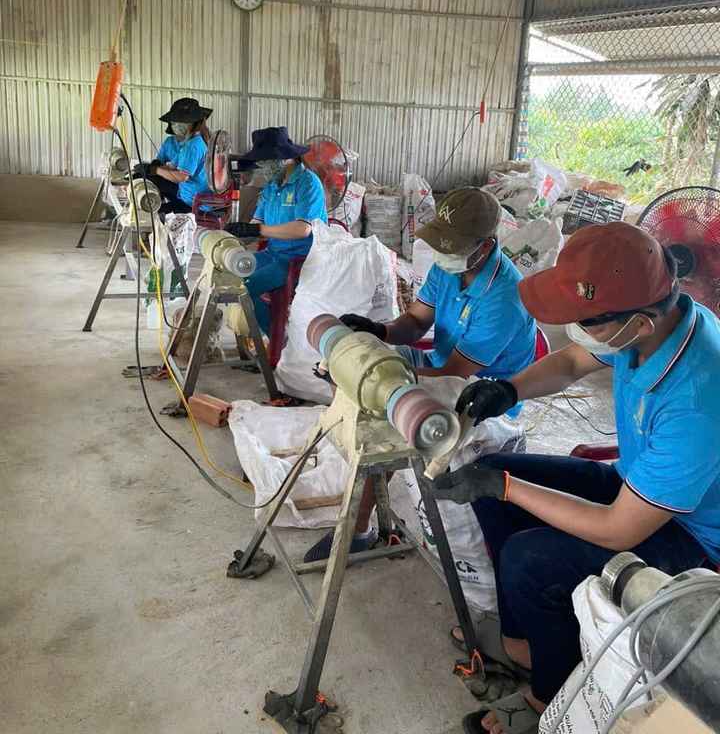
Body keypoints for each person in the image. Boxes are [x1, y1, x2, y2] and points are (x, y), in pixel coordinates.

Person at [433, 222, 720, 734]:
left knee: (527, 555)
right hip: (636, 484)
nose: (576, 330)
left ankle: (548, 695)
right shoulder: (650, 319)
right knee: (491, 479)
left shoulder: (697, 400)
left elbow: (617, 529)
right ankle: (526, 647)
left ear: (640, 323)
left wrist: (508, 488)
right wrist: (508, 389)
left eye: (586, 320)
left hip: (689, 536)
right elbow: (569, 361)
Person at [304, 187, 537, 563]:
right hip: (445, 366)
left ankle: (358, 527)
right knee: (367, 364)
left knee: (383, 414)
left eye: (452, 247)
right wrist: (378, 331)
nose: (443, 254)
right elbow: (414, 322)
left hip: (482, 396)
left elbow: (453, 375)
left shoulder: (505, 298)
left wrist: (377, 380)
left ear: (485, 246)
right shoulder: (449, 268)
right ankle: (363, 500)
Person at [226, 127, 327, 336]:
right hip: (273, 254)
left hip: (300, 260)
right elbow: (257, 222)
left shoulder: (308, 183)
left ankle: (278, 340)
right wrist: (237, 235)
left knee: (246, 288)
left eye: (265, 163)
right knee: (232, 276)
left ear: (284, 159)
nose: (262, 169)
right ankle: (263, 331)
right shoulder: (271, 187)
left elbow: (302, 229)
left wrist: (257, 229)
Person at [134, 97, 212, 215]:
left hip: (192, 203)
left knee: (153, 213)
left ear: (193, 123)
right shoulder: (192, 142)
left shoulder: (193, 146)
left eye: (180, 122)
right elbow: (172, 166)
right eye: (174, 122)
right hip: (188, 196)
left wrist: (156, 170)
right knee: (151, 180)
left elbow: (181, 177)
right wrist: (150, 168)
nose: (176, 125)